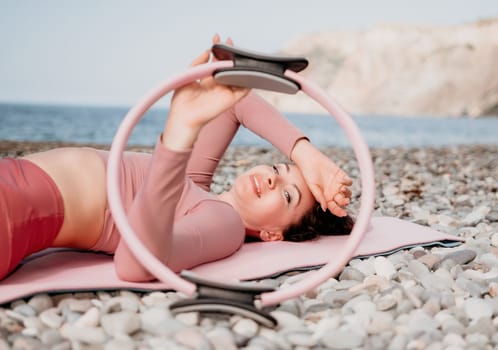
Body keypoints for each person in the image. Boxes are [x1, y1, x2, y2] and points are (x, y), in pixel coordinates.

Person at [0, 36, 353, 282]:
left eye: (288, 196)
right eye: (279, 168)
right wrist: (304, 152)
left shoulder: (225, 223)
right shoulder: (194, 186)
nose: (274, 178)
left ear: (273, 234)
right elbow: (237, 101)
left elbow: (135, 264)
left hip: (17, 211)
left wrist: (179, 134)